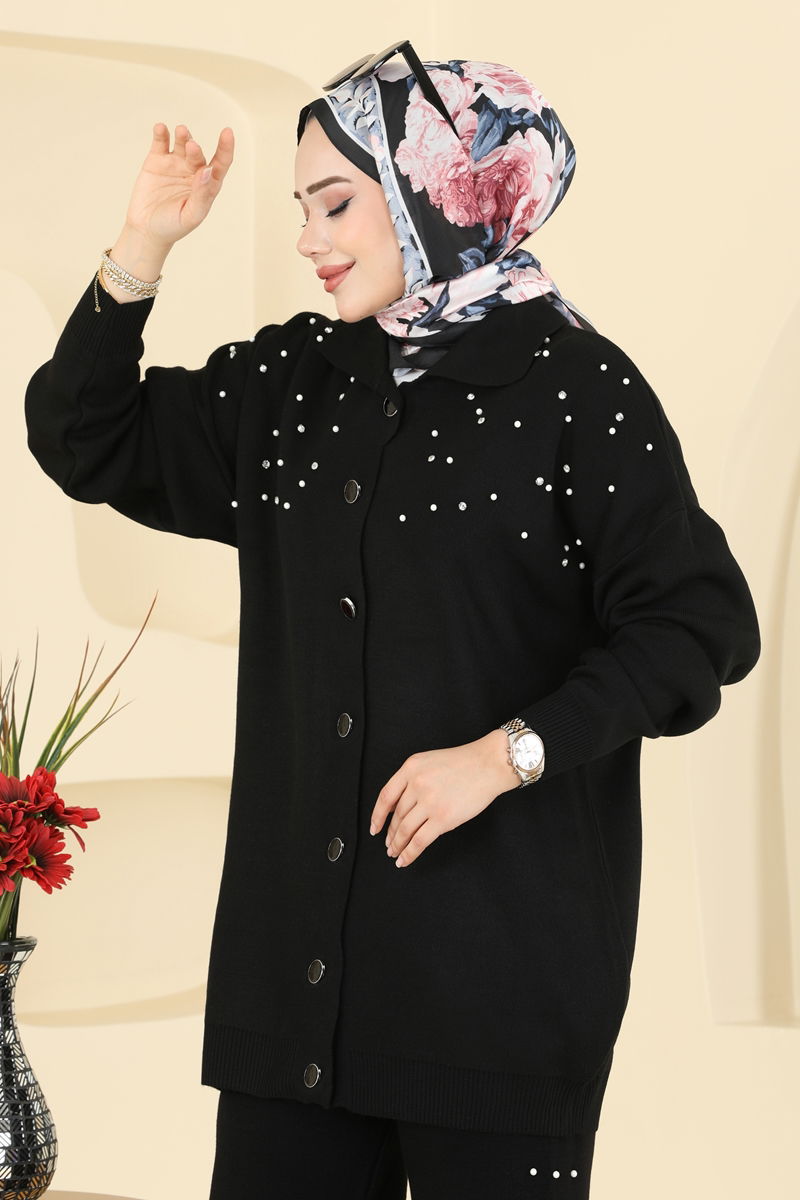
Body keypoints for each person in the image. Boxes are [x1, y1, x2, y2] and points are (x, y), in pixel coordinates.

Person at [24, 46, 762, 1200]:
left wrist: (508, 753)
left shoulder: (575, 390)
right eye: (299, 208)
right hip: (290, 1020)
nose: (309, 239)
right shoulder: (294, 387)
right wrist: (141, 249)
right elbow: (85, 437)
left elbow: (697, 626)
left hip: (496, 1010)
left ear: (438, 192)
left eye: (335, 203)